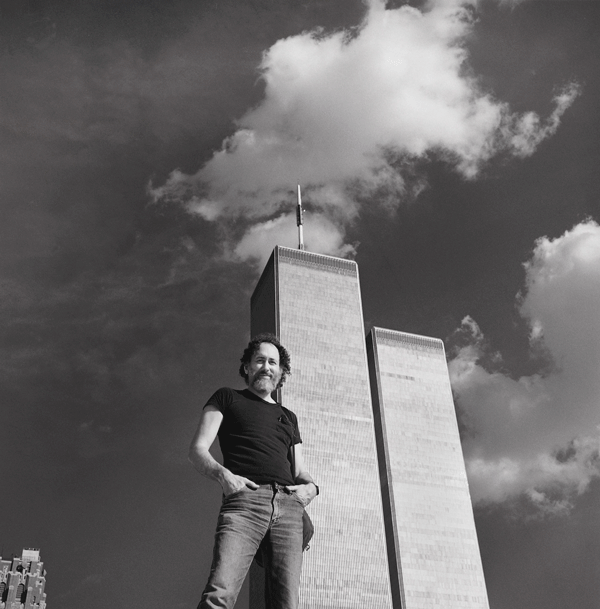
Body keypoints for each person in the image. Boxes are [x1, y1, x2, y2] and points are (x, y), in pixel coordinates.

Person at [189, 333, 319, 609]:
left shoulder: (288, 417)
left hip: (289, 506)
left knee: (286, 604)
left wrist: (311, 487)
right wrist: (225, 476)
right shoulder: (227, 398)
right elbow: (198, 450)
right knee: (219, 596)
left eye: (273, 362)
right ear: (247, 367)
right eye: (260, 360)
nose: (266, 366)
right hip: (245, 501)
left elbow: (301, 470)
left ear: (281, 372)